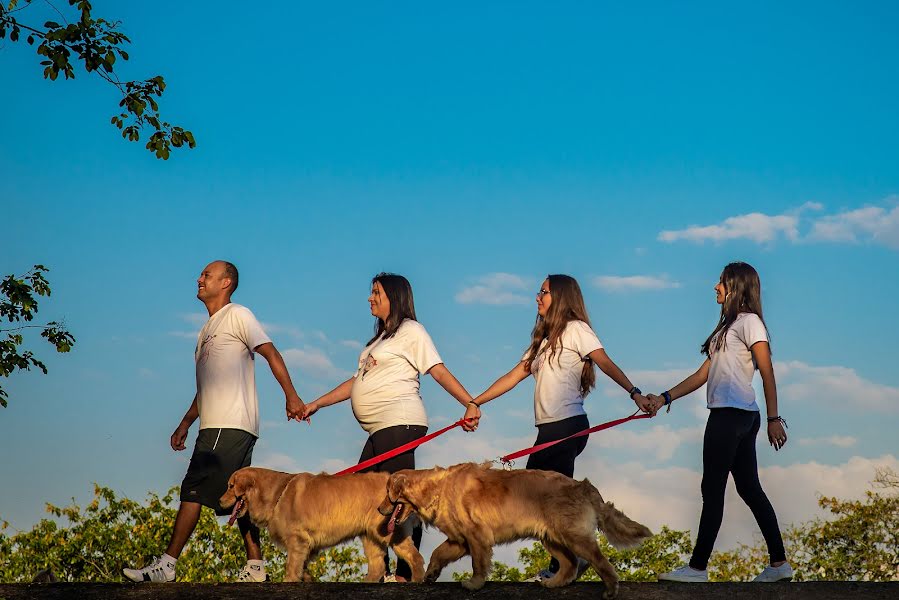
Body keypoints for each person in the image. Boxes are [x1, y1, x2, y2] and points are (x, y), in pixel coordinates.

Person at [123, 260, 306, 583]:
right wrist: (185, 423)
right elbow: (206, 387)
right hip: (216, 423)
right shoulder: (206, 331)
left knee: (193, 489)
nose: (199, 279)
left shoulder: (238, 315)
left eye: (207, 275)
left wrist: (291, 396)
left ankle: (167, 564)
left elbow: (271, 353)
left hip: (231, 422)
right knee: (240, 496)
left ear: (226, 283)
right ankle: (256, 567)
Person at [466, 274, 652, 580]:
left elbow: (604, 361)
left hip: (568, 427)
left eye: (544, 292)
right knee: (534, 504)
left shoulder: (577, 329)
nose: (537, 297)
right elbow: (513, 376)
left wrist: (635, 394)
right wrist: (476, 401)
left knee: (549, 506)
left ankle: (566, 566)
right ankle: (569, 563)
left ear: (562, 297)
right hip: (548, 431)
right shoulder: (543, 340)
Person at [302, 272, 477, 582]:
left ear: (394, 297)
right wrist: (317, 403)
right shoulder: (378, 341)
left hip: (400, 421)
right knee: (362, 497)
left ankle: (406, 574)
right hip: (379, 429)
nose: (370, 298)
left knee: (401, 497)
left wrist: (469, 402)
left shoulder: (411, 331)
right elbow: (357, 382)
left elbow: (437, 370)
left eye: (376, 293)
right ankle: (380, 569)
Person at [652, 262, 792, 583]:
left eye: (721, 282)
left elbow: (767, 370)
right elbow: (702, 376)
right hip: (738, 416)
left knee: (711, 489)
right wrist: (664, 398)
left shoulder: (750, 323)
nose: (716, 287)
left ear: (736, 288)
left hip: (731, 417)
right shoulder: (725, 331)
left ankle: (697, 568)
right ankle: (779, 564)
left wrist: (774, 418)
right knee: (749, 489)